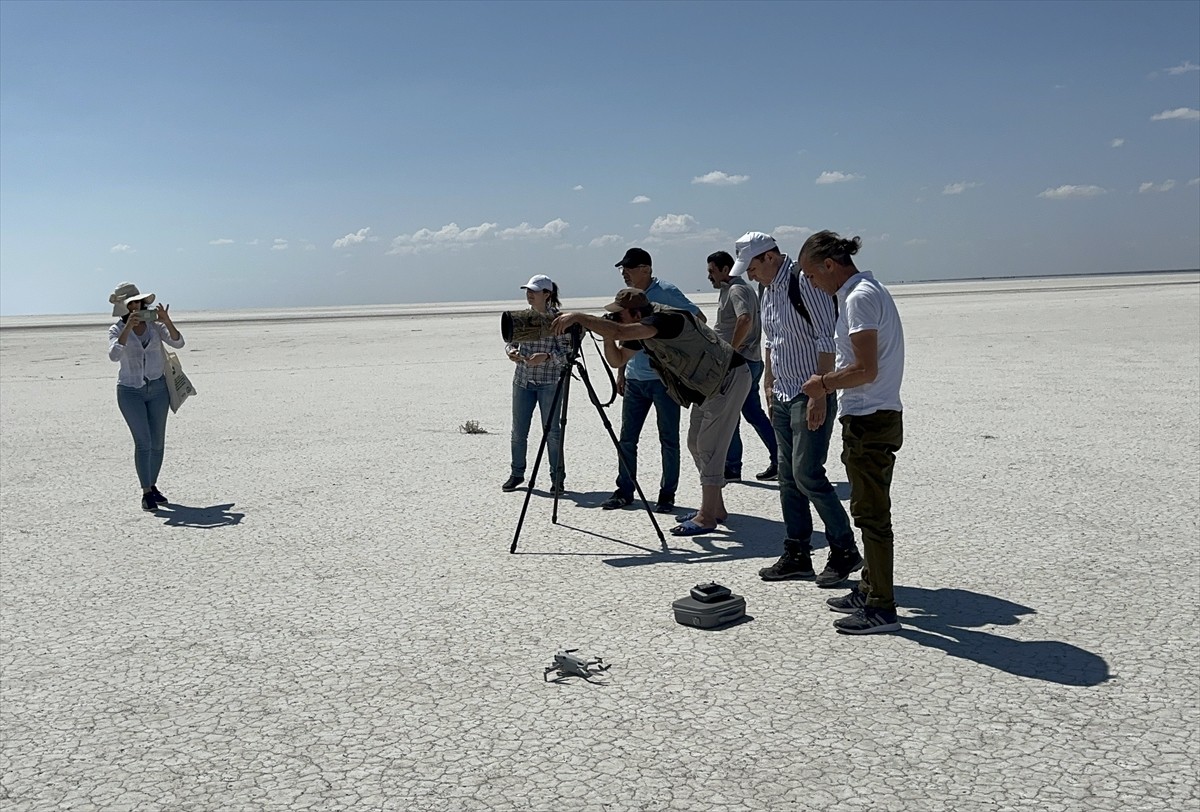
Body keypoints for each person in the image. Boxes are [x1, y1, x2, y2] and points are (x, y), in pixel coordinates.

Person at [553, 288, 751, 535]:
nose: (617, 318)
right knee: (695, 444)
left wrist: (580, 318)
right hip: (708, 387)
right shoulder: (640, 327)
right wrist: (606, 333)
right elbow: (617, 360)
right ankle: (715, 508)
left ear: (636, 312)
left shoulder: (664, 320)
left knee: (709, 447)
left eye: (620, 314)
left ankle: (707, 518)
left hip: (728, 379)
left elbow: (620, 331)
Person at [732, 232, 863, 586]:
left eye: (753, 267)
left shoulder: (803, 282)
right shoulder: (767, 288)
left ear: (771, 257)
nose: (750, 275)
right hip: (783, 393)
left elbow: (826, 338)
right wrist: (769, 381)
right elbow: (773, 339)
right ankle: (797, 553)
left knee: (808, 474)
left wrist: (820, 392)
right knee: (787, 480)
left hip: (810, 392)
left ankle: (844, 549)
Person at [799, 231, 905, 635]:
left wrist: (821, 384)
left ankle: (881, 607)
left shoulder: (860, 297)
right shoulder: (860, 293)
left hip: (871, 417)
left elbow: (865, 369)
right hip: (870, 415)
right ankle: (869, 588)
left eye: (811, 274)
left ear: (829, 265)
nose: (810, 283)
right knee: (866, 510)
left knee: (872, 516)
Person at [601, 248, 705, 514]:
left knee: (668, 439)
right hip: (635, 379)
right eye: (622, 269)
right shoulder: (628, 299)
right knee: (627, 439)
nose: (624, 273)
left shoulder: (666, 292)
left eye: (630, 268)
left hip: (664, 380)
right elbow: (624, 338)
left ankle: (667, 495)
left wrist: (673, 346)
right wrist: (621, 373)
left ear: (646, 269)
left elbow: (698, 319)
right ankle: (624, 491)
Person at [107, 282, 185, 511]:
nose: (135, 307)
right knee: (143, 442)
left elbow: (178, 342)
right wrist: (127, 329)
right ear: (124, 308)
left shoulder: (155, 327)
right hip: (130, 391)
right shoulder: (115, 330)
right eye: (131, 304)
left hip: (158, 389)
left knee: (158, 442)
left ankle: (153, 485)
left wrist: (166, 320)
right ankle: (146, 492)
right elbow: (113, 356)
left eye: (138, 302)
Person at [706, 250, 778, 482]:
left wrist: (730, 352)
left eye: (712, 271)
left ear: (726, 270)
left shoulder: (736, 289)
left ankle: (740, 466)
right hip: (748, 360)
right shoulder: (735, 289)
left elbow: (744, 319)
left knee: (738, 414)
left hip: (740, 363)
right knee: (747, 413)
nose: (709, 276)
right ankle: (742, 465)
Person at [502, 274, 572, 495]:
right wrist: (511, 352)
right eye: (528, 290)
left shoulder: (558, 321)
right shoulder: (522, 317)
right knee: (518, 431)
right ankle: (517, 473)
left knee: (552, 432)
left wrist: (547, 356)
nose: (529, 294)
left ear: (547, 294)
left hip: (549, 382)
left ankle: (557, 478)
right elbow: (510, 342)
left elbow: (568, 353)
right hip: (523, 380)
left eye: (534, 290)